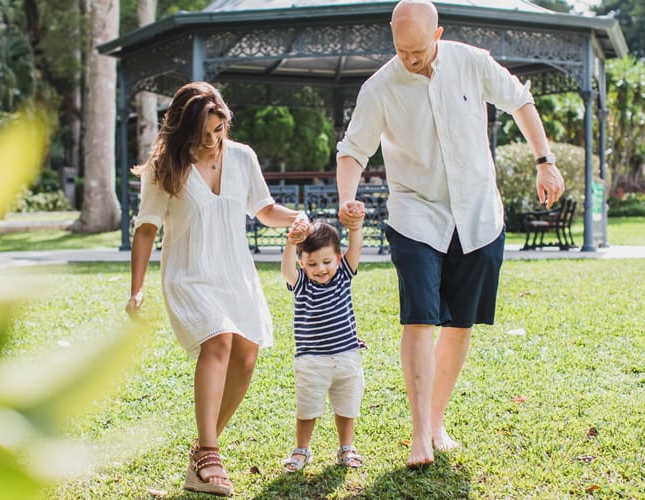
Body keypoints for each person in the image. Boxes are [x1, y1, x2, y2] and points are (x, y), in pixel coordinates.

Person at [335, 0, 565, 467]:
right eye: (401, 51)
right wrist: (346, 198)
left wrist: (545, 161)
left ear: (437, 35)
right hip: (416, 215)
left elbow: (520, 99)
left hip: (479, 215)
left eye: (418, 50)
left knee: (460, 324)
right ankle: (420, 436)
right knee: (419, 318)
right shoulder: (379, 87)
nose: (410, 59)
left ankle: (436, 422)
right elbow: (352, 150)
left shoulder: (471, 62)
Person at [125, 81, 306, 496]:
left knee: (246, 356)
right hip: (188, 274)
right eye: (203, 134)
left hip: (234, 272)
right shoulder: (164, 167)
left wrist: (297, 217)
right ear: (184, 129)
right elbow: (147, 229)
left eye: (218, 130)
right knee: (219, 341)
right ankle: (209, 453)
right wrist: (136, 289)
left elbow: (263, 209)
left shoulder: (242, 158)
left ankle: (202, 455)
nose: (212, 141)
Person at [280, 209, 368, 473]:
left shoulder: (343, 275)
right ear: (302, 263)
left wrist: (355, 226)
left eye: (327, 262)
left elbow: (356, 246)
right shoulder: (301, 284)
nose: (321, 269)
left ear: (338, 259)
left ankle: (346, 448)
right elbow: (286, 268)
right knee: (307, 408)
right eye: (312, 264)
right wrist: (291, 240)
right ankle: (302, 449)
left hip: (346, 356)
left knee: (347, 405)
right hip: (311, 361)